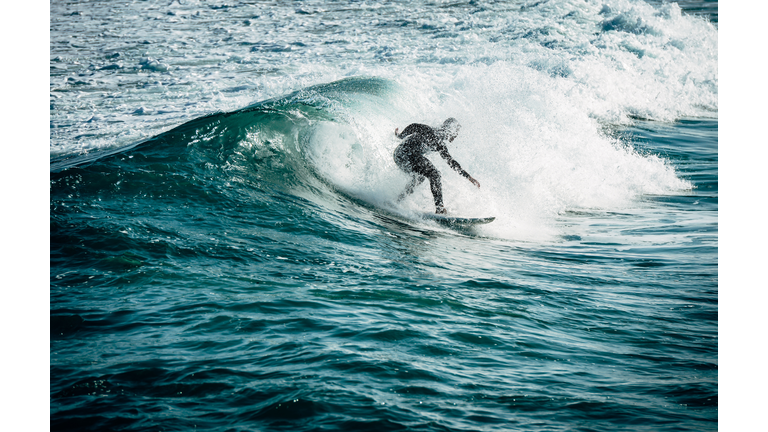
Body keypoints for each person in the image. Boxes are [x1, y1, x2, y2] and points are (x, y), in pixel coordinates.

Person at [393, 118, 480, 214]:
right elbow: (414, 126)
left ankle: (397, 201)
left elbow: (451, 162)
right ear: (449, 129)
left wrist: (469, 177)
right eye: (456, 131)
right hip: (404, 154)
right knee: (434, 174)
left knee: (420, 178)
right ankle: (440, 209)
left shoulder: (440, 144)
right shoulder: (432, 132)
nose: (456, 135)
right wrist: (401, 135)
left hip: (404, 156)